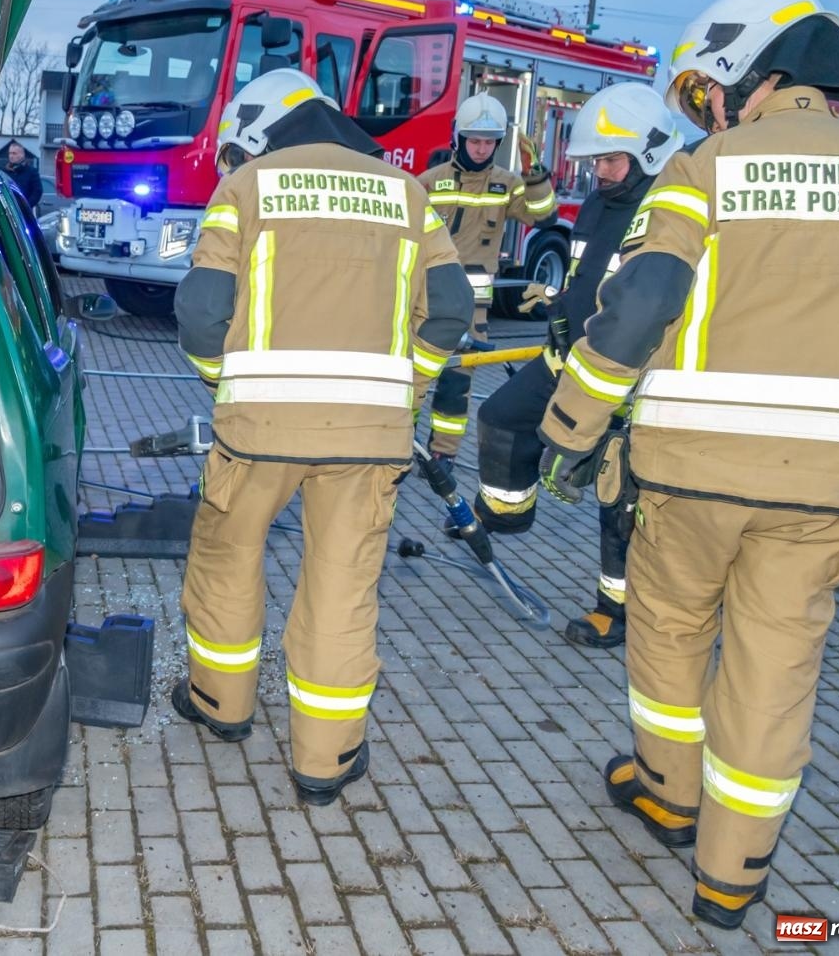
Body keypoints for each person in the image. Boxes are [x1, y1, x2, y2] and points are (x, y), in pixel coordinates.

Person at [534, 0, 839, 930]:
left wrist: (570, 430)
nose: (706, 112)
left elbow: (639, 309)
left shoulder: (703, 170)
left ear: (747, 72)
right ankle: (733, 873)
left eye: (705, 92)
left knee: (670, 632)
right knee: (775, 670)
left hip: (691, 478)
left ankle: (668, 793)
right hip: (833, 490)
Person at [170, 68, 473, 805]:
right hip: (368, 438)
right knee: (342, 586)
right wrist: (408, 389)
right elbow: (451, 307)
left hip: (257, 433)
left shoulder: (246, 188)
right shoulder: (407, 193)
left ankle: (221, 705)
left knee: (227, 557)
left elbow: (202, 313)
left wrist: (223, 384)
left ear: (257, 132)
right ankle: (325, 759)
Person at [472, 83, 683, 649]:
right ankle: (507, 513)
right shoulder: (597, 204)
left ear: (650, 151)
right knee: (500, 416)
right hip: (568, 357)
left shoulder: (668, 211)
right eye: (595, 161)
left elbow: (648, 304)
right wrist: (556, 305)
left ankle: (616, 610)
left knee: (619, 496)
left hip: (624, 374)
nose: (600, 172)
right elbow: (586, 278)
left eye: (611, 160)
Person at [417, 93, 557, 459]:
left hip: (472, 308)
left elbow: (544, 217)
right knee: (412, 379)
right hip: (426, 299)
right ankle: (400, 446)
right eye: (474, 141)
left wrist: (534, 174)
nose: (481, 149)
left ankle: (443, 455)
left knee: (456, 385)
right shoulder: (429, 182)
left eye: (489, 142)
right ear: (459, 138)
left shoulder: (508, 184)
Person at [0, 140, 44, 213]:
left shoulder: (31, 172)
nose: (11, 156)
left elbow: (37, 191)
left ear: (22, 155)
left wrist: (26, 206)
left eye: (14, 153)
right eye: (10, 153)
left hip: (24, 212)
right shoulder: (4, 172)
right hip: (6, 210)